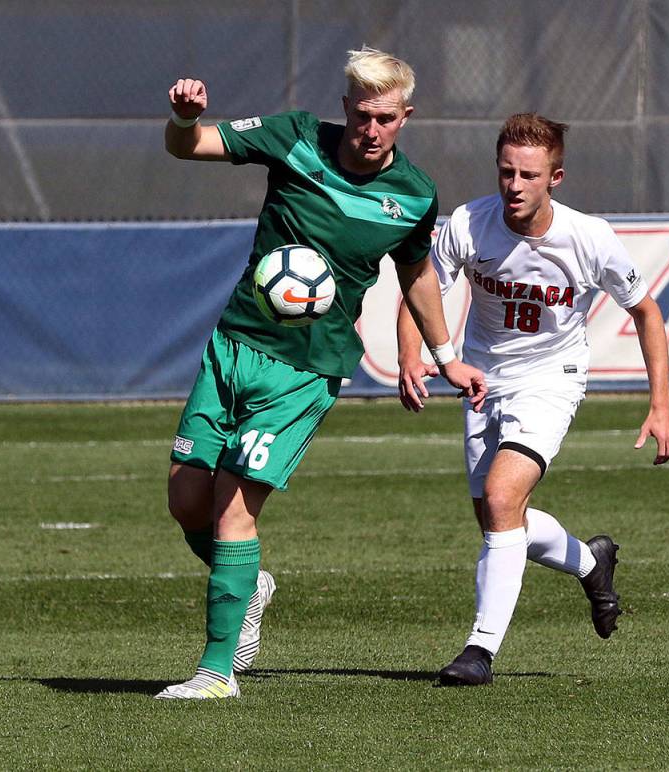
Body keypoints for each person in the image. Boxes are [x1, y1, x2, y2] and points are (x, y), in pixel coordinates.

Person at [156, 47, 486, 700]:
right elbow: (190, 147)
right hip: (233, 346)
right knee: (185, 500)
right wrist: (181, 117)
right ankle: (248, 582)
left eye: (386, 118)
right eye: (362, 115)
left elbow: (417, 272)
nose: (371, 130)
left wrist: (446, 356)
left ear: (405, 117)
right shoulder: (296, 137)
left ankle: (216, 673)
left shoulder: (413, 196)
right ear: (345, 109)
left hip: (305, 372)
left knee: (233, 510)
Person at [397, 113, 669, 686]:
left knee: (502, 498)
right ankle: (590, 561)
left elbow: (646, 312)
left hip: (552, 377)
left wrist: (661, 405)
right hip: (481, 378)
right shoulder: (468, 224)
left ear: (557, 177)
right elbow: (418, 289)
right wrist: (411, 354)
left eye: (529, 174)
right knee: (498, 519)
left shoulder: (589, 237)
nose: (514, 186)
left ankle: (479, 651)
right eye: (506, 172)